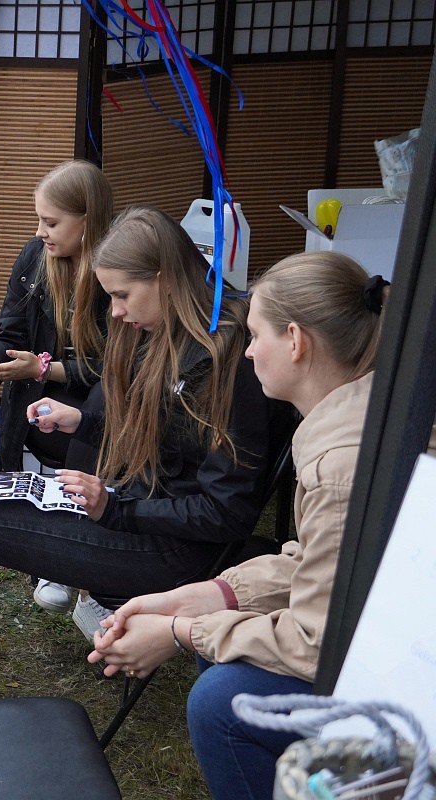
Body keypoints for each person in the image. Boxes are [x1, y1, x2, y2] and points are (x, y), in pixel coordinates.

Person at [88, 252, 434, 800]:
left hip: (410, 686)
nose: (247, 351)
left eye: (254, 335)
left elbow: (317, 644)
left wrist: (180, 632)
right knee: (226, 645)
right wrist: (212, 594)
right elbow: (319, 559)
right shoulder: (361, 420)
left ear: (295, 341)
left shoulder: (343, 461)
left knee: (222, 701)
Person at [0, 206, 279, 642]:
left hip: (168, 549)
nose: (113, 312)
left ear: (162, 279)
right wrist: (84, 423)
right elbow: (170, 447)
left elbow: (224, 515)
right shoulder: (175, 336)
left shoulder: (221, 363)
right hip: (137, 512)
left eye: (121, 295)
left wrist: (113, 509)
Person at [0, 159, 114, 614]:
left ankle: (77, 564)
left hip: (101, 411)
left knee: (93, 409)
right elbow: (7, 329)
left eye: (51, 221)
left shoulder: (116, 272)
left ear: (89, 220)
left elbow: (121, 368)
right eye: (38, 218)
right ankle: (56, 548)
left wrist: (43, 371)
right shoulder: (36, 257)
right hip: (37, 406)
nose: (39, 231)